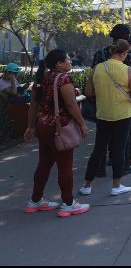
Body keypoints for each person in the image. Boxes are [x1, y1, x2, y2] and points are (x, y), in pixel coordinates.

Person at [23, 50, 90, 217]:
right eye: (68, 60)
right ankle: (68, 203)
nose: (71, 62)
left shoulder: (41, 79)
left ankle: (35, 200)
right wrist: (82, 124)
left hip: (43, 125)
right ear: (59, 64)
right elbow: (71, 104)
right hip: (59, 128)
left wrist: (30, 126)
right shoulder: (63, 79)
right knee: (65, 166)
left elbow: (33, 105)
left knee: (44, 164)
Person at [80, 40, 131, 197]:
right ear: (125, 53)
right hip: (123, 115)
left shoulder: (97, 69)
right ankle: (116, 186)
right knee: (119, 150)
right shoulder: (129, 70)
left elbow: (88, 93)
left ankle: (87, 186)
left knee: (98, 150)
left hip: (103, 114)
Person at [92, 24, 131, 175]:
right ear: (127, 38)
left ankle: (99, 169)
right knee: (124, 138)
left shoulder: (99, 54)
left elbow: (93, 78)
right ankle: (123, 165)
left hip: (102, 104)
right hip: (124, 104)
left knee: (101, 140)